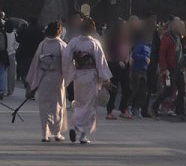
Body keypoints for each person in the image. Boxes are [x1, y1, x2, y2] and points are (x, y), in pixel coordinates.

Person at [62, 16, 112, 145]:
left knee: (79, 103)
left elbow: (66, 57)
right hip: (91, 76)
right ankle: (78, 128)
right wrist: (105, 78)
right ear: (92, 29)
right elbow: (100, 63)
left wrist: (70, 72)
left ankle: (81, 132)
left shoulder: (74, 42)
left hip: (78, 75)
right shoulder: (94, 43)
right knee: (89, 106)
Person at [27, 20, 68, 143]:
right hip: (57, 77)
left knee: (44, 105)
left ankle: (45, 133)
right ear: (59, 31)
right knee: (58, 105)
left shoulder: (43, 44)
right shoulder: (62, 45)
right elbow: (67, 63)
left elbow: (35, 62)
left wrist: (32, 80)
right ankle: (57, 132)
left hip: (44, 75)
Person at [151, 17, 186, 120]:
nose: (180, 27)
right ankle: (154, 107)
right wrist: (164, 68)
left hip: (179, 69)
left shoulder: (179, 37)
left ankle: (181, 112)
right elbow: (162, 53)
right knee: (169, 89)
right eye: (178, 25)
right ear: (173, 26)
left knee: (182, 90)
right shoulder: (167, 37)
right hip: (170, 69)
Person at [105, 18, 133, 118]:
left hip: (126, 65)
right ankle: (109, 111)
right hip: (115, 66)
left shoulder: (126, 37)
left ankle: (123, 109)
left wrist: (129, 58)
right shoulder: (112, 38)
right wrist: (118, 60)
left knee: (127, 88)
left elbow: (128, 49)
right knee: (114, 89)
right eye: (123, 25)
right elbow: (109, 52)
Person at [130, 19, 152, 119]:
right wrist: (143, 58)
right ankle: (130, 106)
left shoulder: (148, 47)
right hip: (137, 70)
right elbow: (134, 55)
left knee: (143, 91)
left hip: (144, 71)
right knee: (135, 89)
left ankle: (137, 108)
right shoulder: (140, 45)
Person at [16, 17, 45, 86]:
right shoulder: (41, 31)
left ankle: (27, 83)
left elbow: (18, 39)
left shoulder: (25, 30)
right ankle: (32, 85)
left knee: (24, 71)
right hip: (36, 53)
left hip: (24, 53)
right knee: (34, 71)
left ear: (29, 22)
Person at [0, 10, 10, 99]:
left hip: (1, 54)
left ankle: (1, 90)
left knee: (1, 72)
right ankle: (1, 90)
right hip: (3, 55)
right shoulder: (4, 33)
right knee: (2, 73)